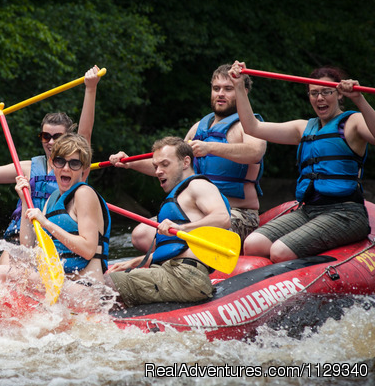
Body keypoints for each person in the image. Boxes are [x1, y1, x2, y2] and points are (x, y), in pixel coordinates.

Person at [229, 61, 375, 263]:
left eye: (327, 92)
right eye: (314, 93)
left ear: (340, 94)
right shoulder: (303, 128)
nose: (320, 98)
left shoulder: (353, 122)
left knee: (280, 251)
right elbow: (252, 128)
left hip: (346, 213)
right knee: (253, 244)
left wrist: (359, 99)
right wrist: (238, 86)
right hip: (309, 210)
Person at [109, 64, 266, 251]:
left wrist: (210, 147)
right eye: (216, 89)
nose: (220, 94)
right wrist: (129, 163)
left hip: (237, 213)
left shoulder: (250, 126)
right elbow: (172, 167)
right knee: (141, 235)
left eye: (228, 89)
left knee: (195, 235)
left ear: (243, 91)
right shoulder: (199, 127)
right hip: (194, 210)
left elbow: (255, 151)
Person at [0, 66, 101, 244]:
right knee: (0, 272)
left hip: (55, 240)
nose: (51, 142)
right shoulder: (28, 167)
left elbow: (85, 135)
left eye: (57, 137)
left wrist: (90, 88)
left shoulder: (78, 169)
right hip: (22, 238)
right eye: (45, 136)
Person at [105, 137, 231, 307]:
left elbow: (223, 218)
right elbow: (174, 249)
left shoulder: (198, 186)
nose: (158, 171)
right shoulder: (181, 194)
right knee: (106, 279)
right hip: (172, 271)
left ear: (186, 162)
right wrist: (132, 262)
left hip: (186, 277)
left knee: (103, 284)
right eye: (156, 166)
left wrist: (181, 227)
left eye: (165, 164)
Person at [0, 133, 111, 309]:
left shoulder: (84, 194)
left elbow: (87, 249)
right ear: (53, 164)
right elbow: (27, 245)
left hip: (86, 292)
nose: (66, 168)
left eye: (74, 163)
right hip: (61, 287)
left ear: (83, 170)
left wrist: (46, 223)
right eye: (60, 161)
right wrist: (26, 202)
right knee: (12, 264)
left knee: (1, 273)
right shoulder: (53, 199)